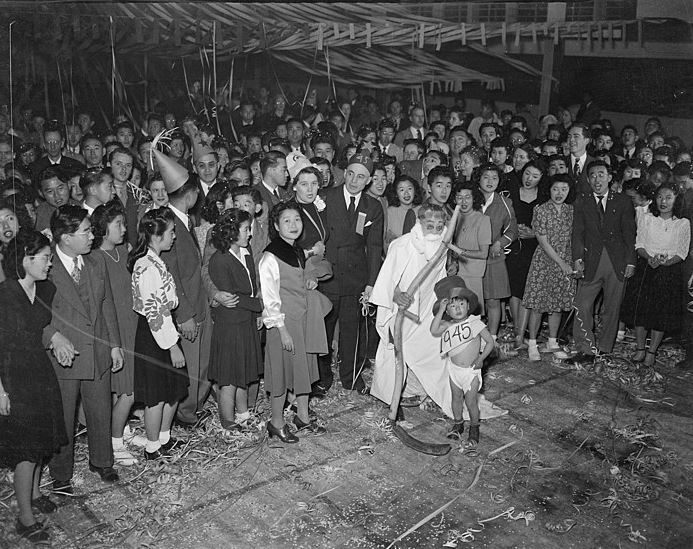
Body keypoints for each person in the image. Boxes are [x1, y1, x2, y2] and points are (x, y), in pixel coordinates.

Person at [45, 205, 124, 492]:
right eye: (87, 231)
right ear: (65, 237)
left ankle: (102, 461)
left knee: (100, 410)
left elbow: (107, 305)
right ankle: (61, 473)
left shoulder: (95, 262)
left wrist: (114, 344)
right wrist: (52, 337)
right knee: (64, 418)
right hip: (64, 356)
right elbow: (33, 312)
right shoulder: (46, 266)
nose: (93, 236)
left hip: (98, 348)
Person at [0, 230, 67, 544]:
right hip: (12, 375)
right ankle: (25, 519)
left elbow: (40, 327)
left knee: (41, 438)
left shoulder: (46, 289)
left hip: (39, 370)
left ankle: (36, 492)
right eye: (44, 258)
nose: (50, 263)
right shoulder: (4, 294)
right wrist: (0, 390)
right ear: (25, 259)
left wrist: (54, 338)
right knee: (26, 450)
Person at [259, 201, 332, 442]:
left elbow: (299, 279)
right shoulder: (270, 257)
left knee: (303, 371)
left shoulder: (297, 251)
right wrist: (282, 331)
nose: (293, 225)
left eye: (297, 220)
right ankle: (276, 422)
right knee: (281, 374)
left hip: (302, 322)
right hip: (283, 325)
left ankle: (302, 417)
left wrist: (310, 281)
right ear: (277, 226)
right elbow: (269, 299)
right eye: (286, 221)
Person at [370, 204, 452, 415]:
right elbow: (387, 279)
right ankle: (390, 397)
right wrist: (398, 296)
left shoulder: (442, 247)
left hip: (426, 309)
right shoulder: (402, 245)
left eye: (439, 226)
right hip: (401, 309)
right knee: (395, 349)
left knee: (429, 349)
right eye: (429, 225)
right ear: (419, 223)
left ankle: (420, 390)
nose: (434, 230)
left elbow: (440, 278)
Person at [319, 153, 384, 393]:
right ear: (344, 174)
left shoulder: (373, 207)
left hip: (356, 277)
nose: (355, 181)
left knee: (352, 330)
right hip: (328, 275)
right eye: (351, 174)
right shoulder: (326, 199)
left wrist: (371, 282)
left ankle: (351, 376)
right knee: (324, 329)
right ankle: (322, 377)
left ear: (368, 181)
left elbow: (375, 247)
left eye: (361, 177)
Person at [130, 207, 189, 459]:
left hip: (166, 328)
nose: (174, 236)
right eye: (171, 232)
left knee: (172, 388)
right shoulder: (146, 265)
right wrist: (172, 345)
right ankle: (152, 446)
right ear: (156, 235)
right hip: (156, 334)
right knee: (156, 394)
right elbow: (155, 312)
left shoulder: (155, 260)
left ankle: (164, 437)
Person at [567, 160, 636, 365]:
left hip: (617, 260)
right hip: (591, 260)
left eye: (601, 174)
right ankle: (586, 349)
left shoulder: (623, 201)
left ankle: (605, 348)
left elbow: (630, 233)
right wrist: (577, 259)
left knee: (612, 307)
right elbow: (577, 233)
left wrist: (631, 261)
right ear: (588, 179)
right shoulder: (582, 200)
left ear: (609, 177)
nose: (597, 179)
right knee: (581, 304)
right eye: (593, 175)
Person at [90, 200, 139, 465]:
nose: (123, 228)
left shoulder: (123, 250)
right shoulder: (95, 258)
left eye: (123, 222)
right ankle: (115, 443)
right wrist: (112, 342)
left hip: (131, 327)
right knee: (126, 392)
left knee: (127, 388)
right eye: (118, 224)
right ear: (102, 228)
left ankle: (124, 431)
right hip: (116, 332)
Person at [620, 184, 690, 366]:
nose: (663, 201)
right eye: (659, 197)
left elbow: (682, 252)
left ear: (676, 200)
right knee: (640, 311)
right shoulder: (647, 218)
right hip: (646, 268)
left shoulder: (683, 223)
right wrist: (650, 258)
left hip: (669, 271)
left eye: (668, 197)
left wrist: (666, 262)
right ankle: (640, 348)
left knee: (661, 313)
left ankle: (652, 351)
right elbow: (639, 244)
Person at [208, 209, 263, 431]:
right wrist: (260, 306)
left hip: (245, 322)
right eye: (245, 229)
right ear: (231, 232)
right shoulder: (219, 260)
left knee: (243, 371)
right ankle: (227, 422)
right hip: (230, 325)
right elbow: (232, 298)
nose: (249, 234)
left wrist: (255, 311)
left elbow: (249, 291)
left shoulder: (245, 251)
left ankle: (243, 413)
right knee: (229, 378)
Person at [430, 276, 494, 447]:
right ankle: (458, 423)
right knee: (456, 398)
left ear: (468, 305)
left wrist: (481, 358)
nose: (457, 309)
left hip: (471, 371)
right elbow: (433, 329)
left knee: (471, 401)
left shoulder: (474, 323)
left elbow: (490, 342)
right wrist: (440, 310)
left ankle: (474, 426)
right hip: (454, 370)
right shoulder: (448, 325)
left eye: (461, 304)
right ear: (447, 311)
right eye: (452, 306)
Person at [521, 175, 576, 360]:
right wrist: (561, 263)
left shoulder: (571, 211)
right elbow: (543, 242)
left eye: (564, 189)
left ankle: (552, 341)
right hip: (545, 262)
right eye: (555, 189)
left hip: (565, 260)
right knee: (538, 305)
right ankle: (532, 343)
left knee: (557, 305)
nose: (559, 193)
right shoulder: (541, 210)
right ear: (549, 190)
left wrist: (569, 262)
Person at [506, 161, 546, 349]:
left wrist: (534, 233)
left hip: (535, 248)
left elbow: (548, 226)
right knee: (515, 290)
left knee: (527, 291)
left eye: (535, 176)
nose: (529, 179)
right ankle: (517, 332)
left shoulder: (544, 197)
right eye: (527, 173)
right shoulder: (511, 194)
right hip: (515, 246)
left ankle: (521, 335)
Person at [477, 163, 518, 344]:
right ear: (478, 178)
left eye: (494, 178)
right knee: (473, 300)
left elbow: (512, 230)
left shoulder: (504, 202)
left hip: (494, 258)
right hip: (471, 259)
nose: (490, 181)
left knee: (493, 301)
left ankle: (492, 338)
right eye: (486, 177)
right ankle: (472, 336)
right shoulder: (469, 198)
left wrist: (499, 243)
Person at [452, 180, 491, 311]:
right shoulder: (452, 218)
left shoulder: (483, 220)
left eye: (467, 197)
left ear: (474, 199)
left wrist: (460, 252)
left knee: (472, 314)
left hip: (473, 274)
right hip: (454, 273)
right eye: (459, 197)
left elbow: (483, 253)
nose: (463, 202)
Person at [384, 175, 422, 251]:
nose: (406, 193)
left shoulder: (422, 210)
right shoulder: (389, 212)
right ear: (396, 194)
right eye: (402, 190)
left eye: (410, 189)